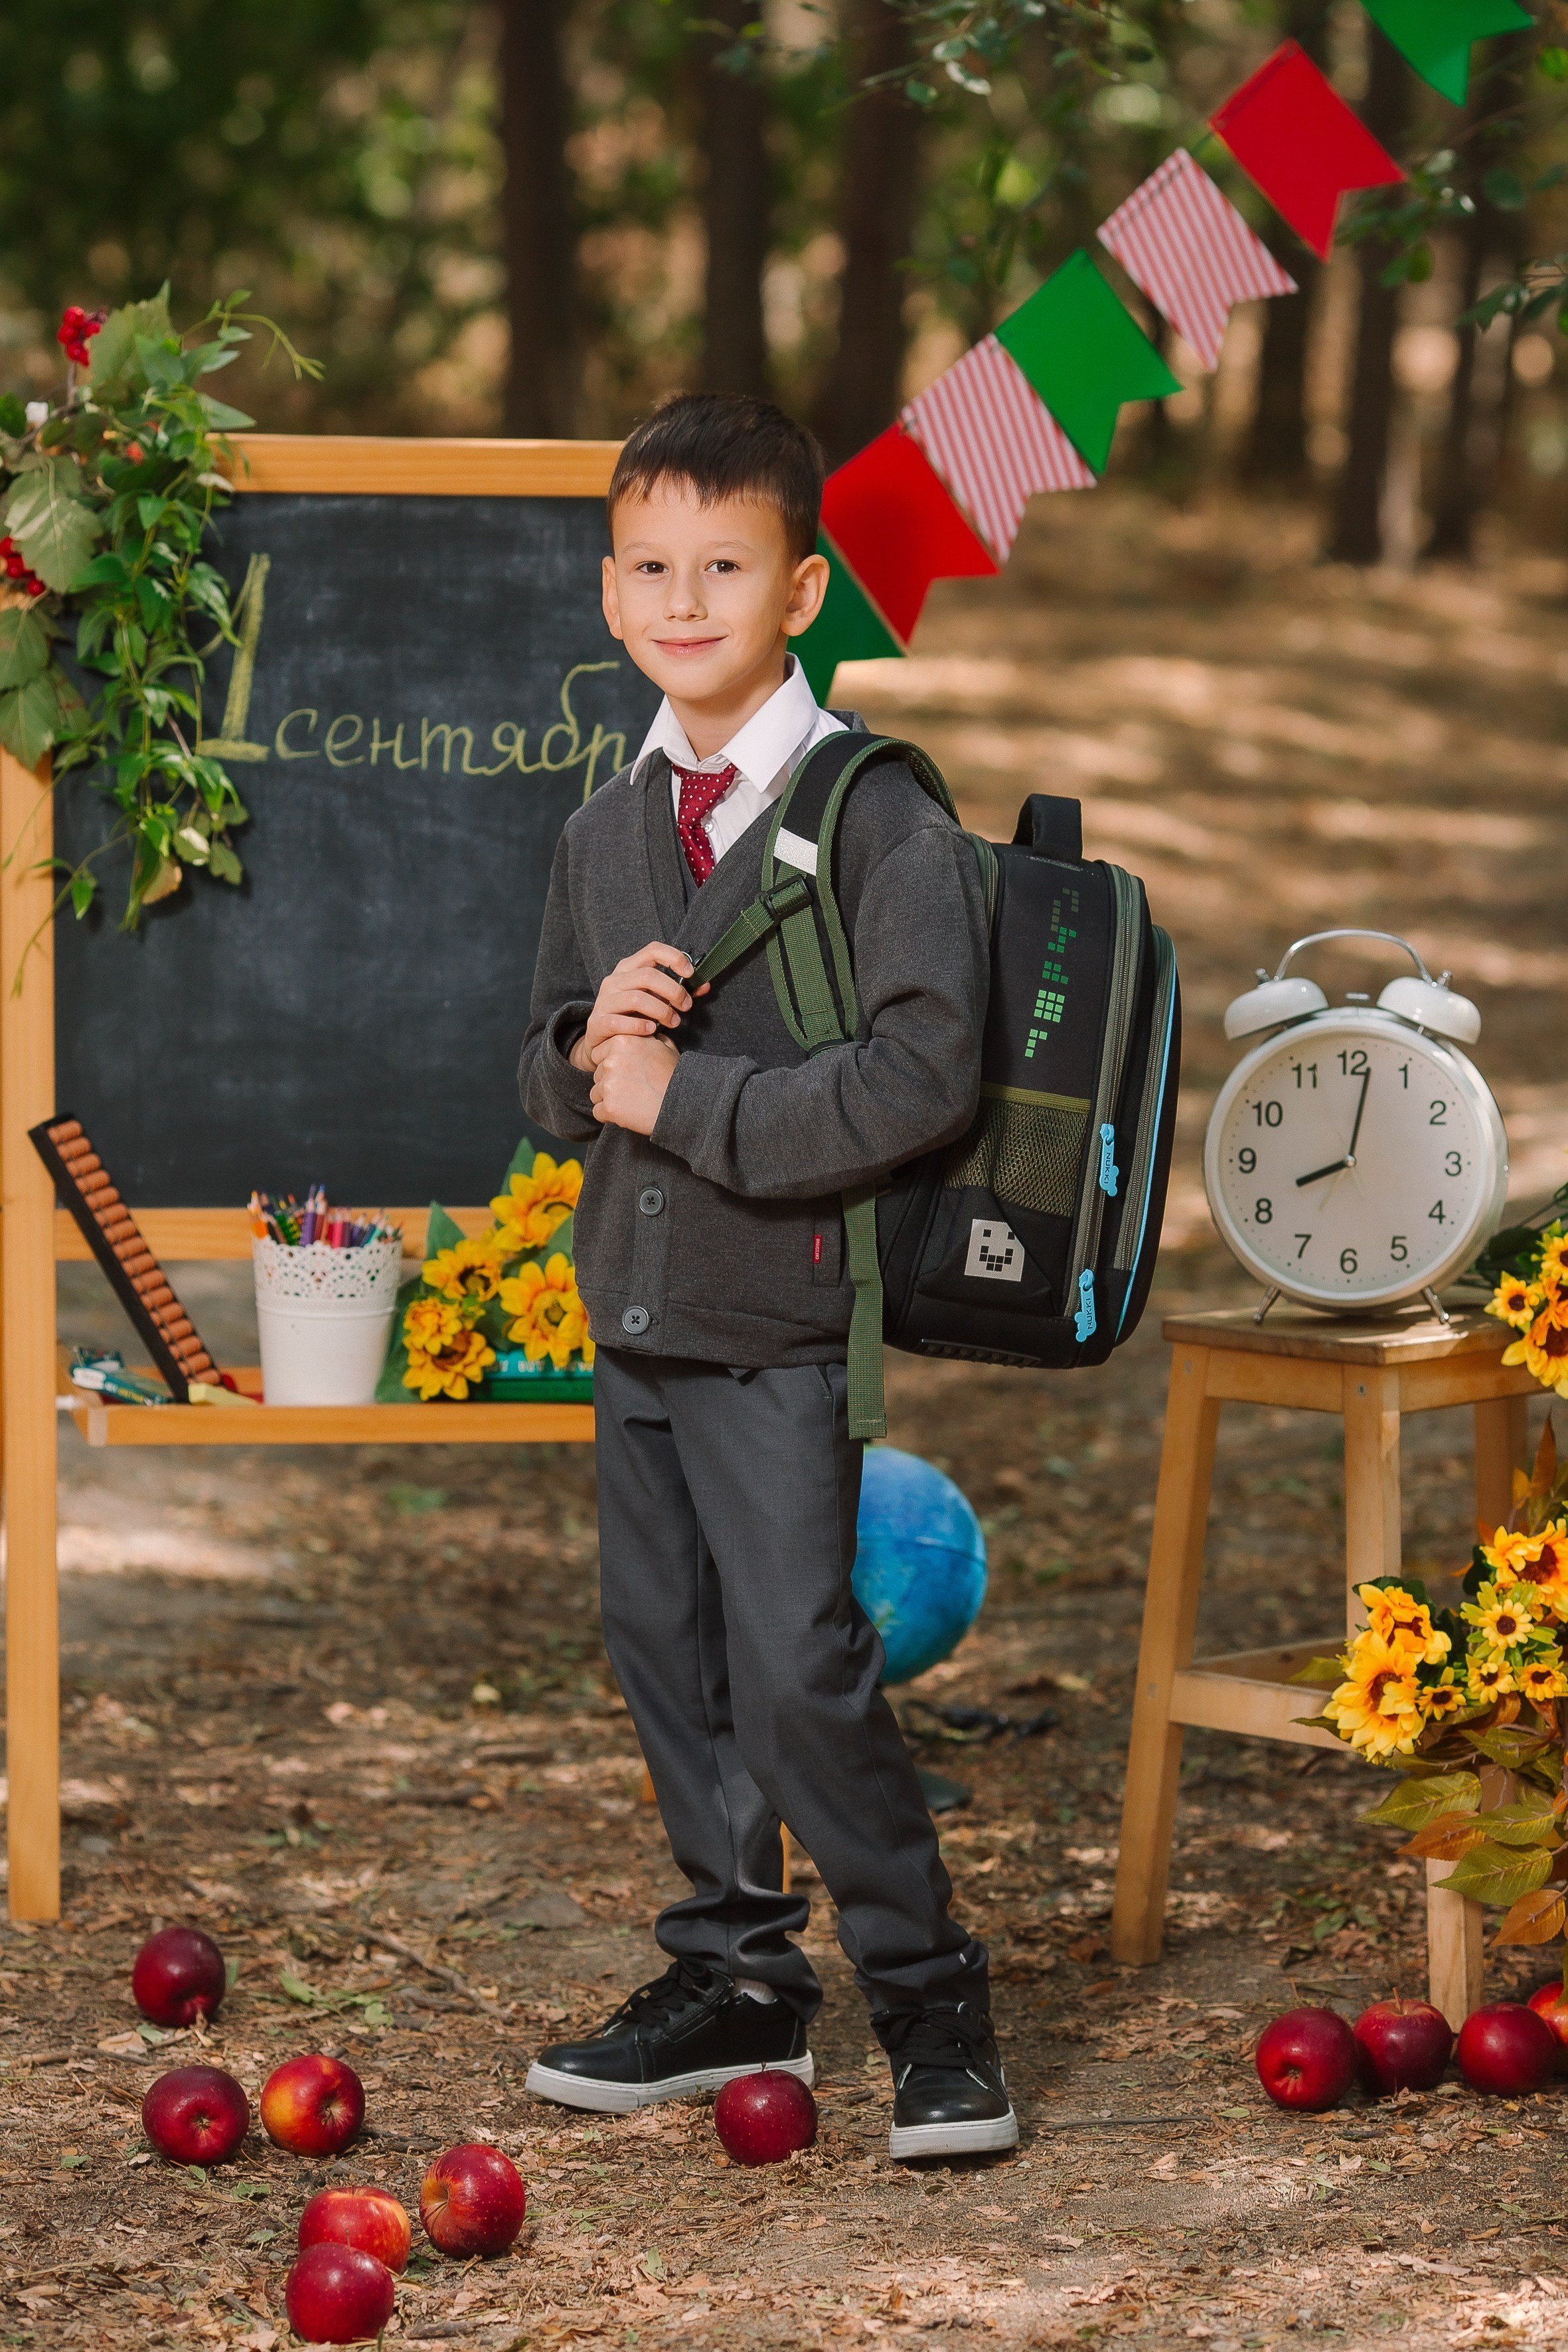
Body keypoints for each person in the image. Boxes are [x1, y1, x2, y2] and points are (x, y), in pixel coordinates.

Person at [517, 392, 1013, 2161]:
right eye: (649, 566)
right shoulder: (602, 830)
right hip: (637, 1324)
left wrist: (687, 1092)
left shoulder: (875, 810)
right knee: (669, 1657)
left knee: (800, 1667)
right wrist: (596, 1036)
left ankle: (928, 1997)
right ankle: (736, 1979)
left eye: (722, 565)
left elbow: (918, 1076)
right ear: (606, 592)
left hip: (786, 1321)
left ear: (800, 590)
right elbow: (540, 1078)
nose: (683, 597)